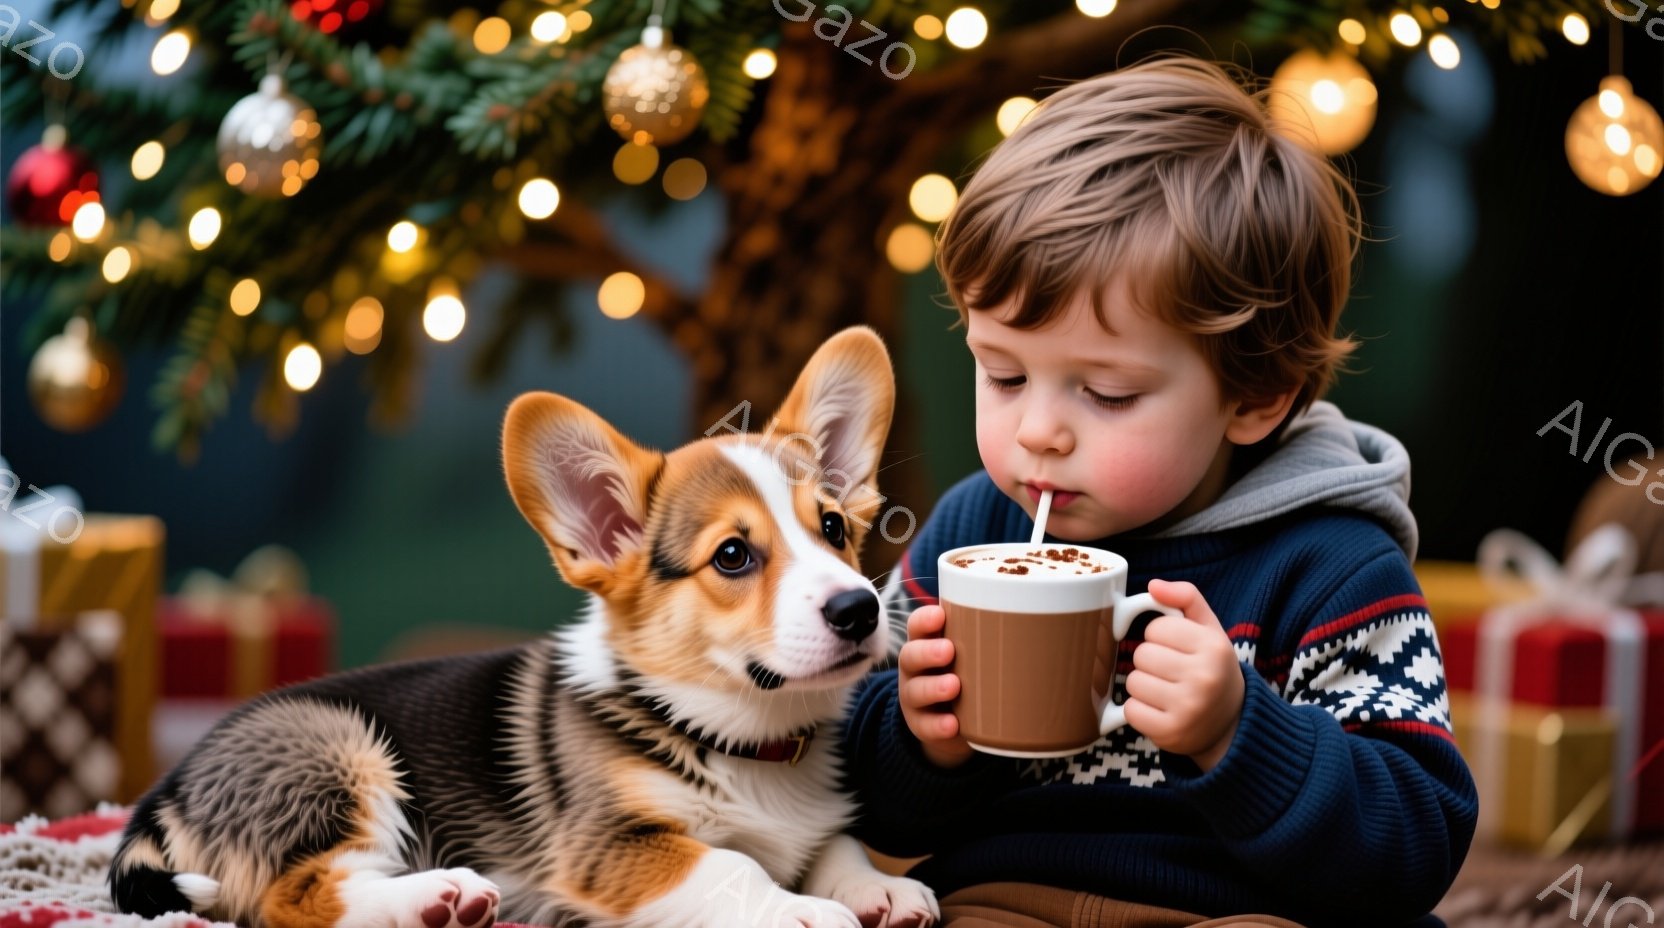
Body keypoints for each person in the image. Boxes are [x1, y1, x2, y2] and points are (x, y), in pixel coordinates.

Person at [839, 55, 1477, 928]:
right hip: (999, 904)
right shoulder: (971, 532)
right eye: (1003, 373)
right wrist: (918, 738)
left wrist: (1239, 733)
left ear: (1255, 398)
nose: (1039, 431)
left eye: (1107, 394)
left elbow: (1413, 844)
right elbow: (861, 802)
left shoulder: (1333, 569)